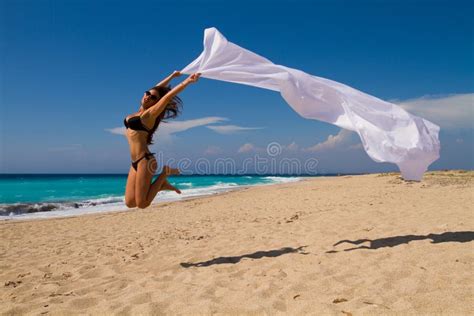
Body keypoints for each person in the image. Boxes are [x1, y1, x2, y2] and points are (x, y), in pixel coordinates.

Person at [123, 71, 201, 209]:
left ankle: (165, 173)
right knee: (130, 203)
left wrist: (187, 81)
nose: (147, 97)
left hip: (145, 161)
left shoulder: (150, 115)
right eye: (147, 93)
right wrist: (172, 76)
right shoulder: (140, 110)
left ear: (156, 103)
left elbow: (167, 96)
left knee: (142, 204)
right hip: (134, 162)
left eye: (152, 97)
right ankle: (162, 185)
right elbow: (157, 89)